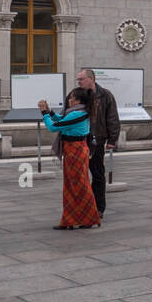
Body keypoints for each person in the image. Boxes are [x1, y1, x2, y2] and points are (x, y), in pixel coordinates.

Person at [39, 88, 101, 230]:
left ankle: (89, 217)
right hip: (74, 150)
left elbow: (54, 127)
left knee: (79, 185)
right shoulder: (79, 112)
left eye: (72, 98)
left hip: (75, 151)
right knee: (72, 185)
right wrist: (50, 112)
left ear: (79, 101)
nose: (69, 100)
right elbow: (62, 120)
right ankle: (72, 219)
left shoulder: (77, 114)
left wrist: (44, 113)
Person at [77, 68, 119, 218]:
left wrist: (112, 139)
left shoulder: (105, 95)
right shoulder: (75, 95)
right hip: (78, 141)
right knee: (79, 176)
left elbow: (112, 117)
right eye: (78, 79)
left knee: (97, 174)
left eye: (81, 79)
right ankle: (82, 206)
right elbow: (66, 114)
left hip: (96, 141)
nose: (78, 82)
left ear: (91, 79)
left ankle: (98, 207)